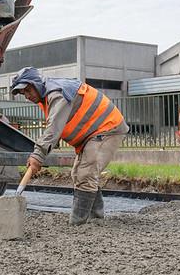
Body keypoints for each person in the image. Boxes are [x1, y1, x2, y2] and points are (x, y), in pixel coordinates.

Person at [10, 67, 129, 226]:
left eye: (28, 90)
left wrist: (38, 155)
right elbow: (57, 129)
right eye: (23, 93)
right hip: (91, 134)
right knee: (78, 174)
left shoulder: (57, 94)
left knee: (85, 174)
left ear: (36, 84)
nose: (27, 96)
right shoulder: (47, 97)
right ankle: (95, 218)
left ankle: (78, 223)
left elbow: (54, 128)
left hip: (107, 128)